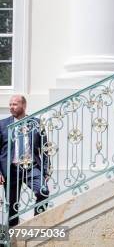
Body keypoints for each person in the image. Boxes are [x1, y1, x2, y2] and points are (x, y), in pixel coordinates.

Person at [0, 95, 49, 226]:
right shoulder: (2, 124)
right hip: (11, 170)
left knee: (43, 191)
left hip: (31, 168)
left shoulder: (36, 123)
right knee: (11, 206)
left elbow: (45, 148)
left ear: (24, 105)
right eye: (10, 104)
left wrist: (46, 171)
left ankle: (38, 224)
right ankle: (13, 237)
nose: (11, 107)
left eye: (15, 104)